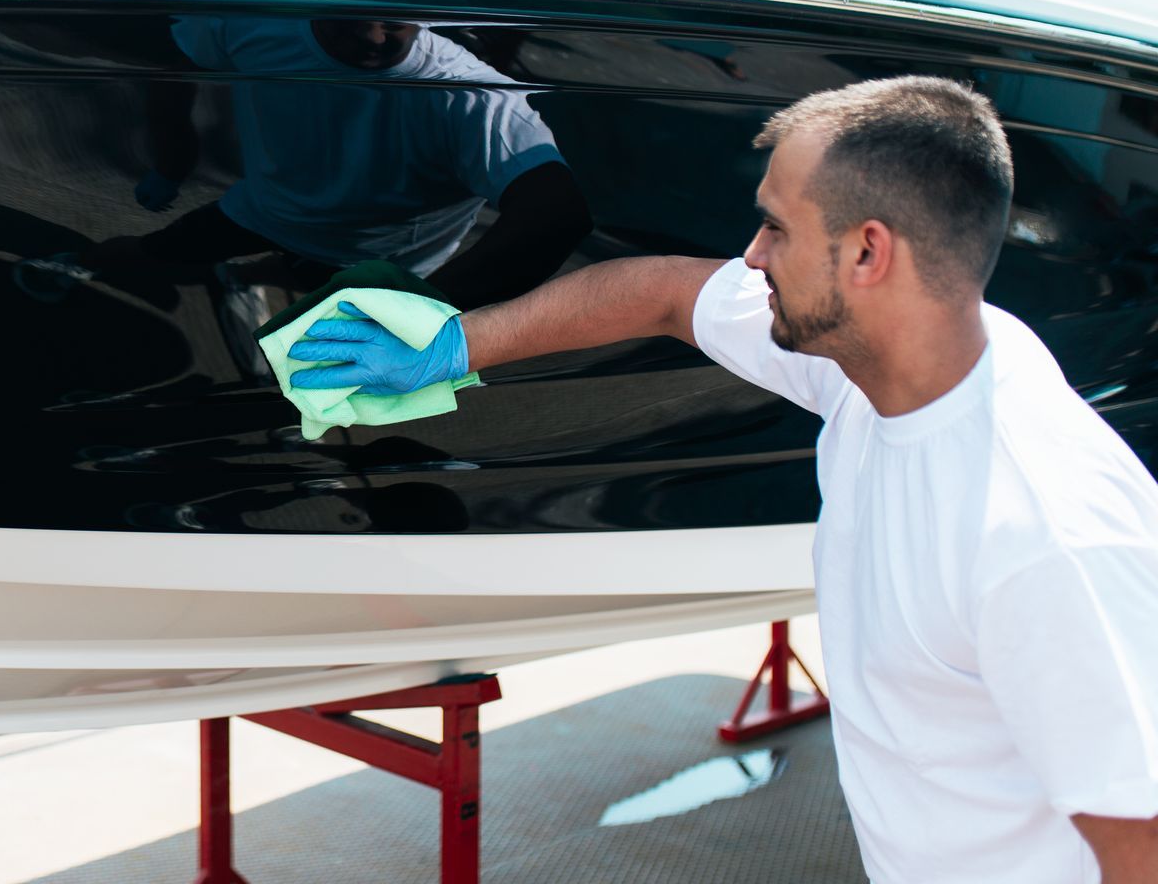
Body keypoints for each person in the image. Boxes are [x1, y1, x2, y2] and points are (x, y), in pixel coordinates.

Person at [287, 76, 1158, 882]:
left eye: (776, 226)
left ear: (867, 255)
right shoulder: (882, 362)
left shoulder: (1041, 537)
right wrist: (450, 349)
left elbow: (1140, 841)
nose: (750, 254)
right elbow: (662, 294)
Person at [14, 15, 590, 310]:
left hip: (378, 255)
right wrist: (174, 158)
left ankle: (239, 278)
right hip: (268, 212)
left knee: (300, 278)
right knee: (153, 252)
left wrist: (431, 315)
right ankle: (79, 263)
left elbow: (553, 215)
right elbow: (175, 67)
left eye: (393, 14)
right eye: (350, 11)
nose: (371, 34)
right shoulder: (256, 25)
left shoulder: (470, 95)